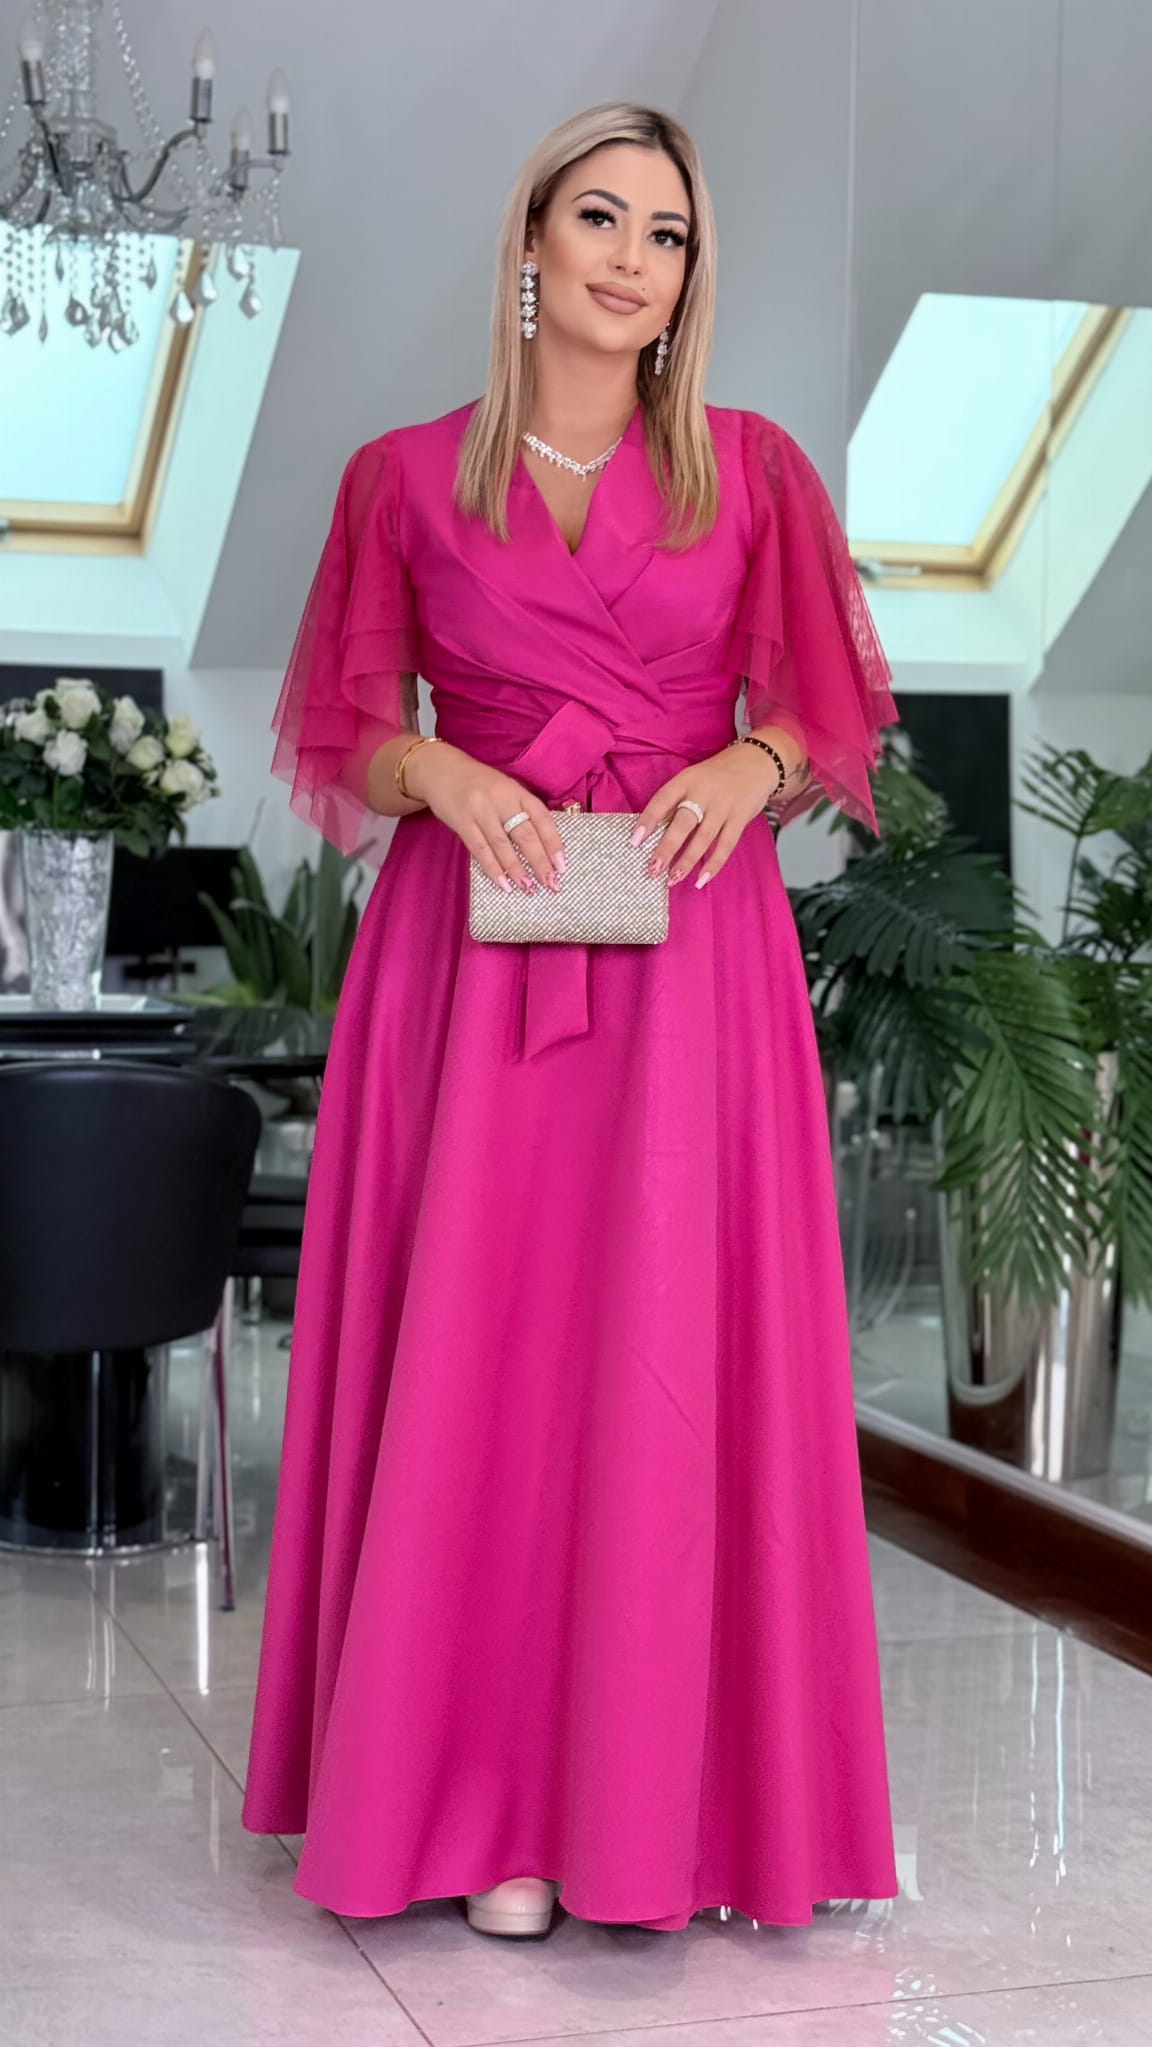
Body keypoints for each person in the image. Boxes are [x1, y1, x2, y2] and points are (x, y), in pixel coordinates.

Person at [242, 100, 900, 1942]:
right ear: (530, 244)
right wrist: (445, 775)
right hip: (475, 955)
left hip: (693, 956)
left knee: (665, 1349)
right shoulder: (401, 478)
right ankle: (481, 1810)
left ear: (691, 279)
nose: (631, 258)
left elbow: (834, 709)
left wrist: (753, 763)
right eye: (600, 219)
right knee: (486, 1356)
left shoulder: (754, 470)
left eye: (666, 235)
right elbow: (343, 730)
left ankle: (653, 1810)